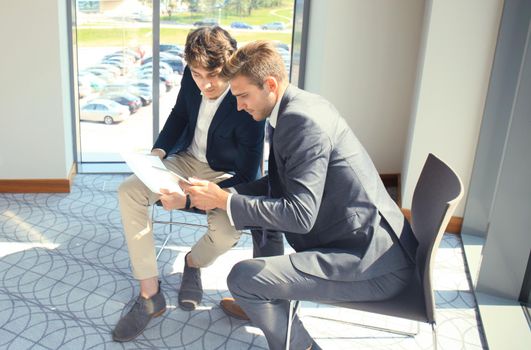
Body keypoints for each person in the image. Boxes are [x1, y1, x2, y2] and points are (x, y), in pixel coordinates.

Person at [182, 40, 419, 350]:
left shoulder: (302, 123)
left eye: (242, 96)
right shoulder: (294, 106)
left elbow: (300, 216)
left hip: (370, 263)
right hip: (363, 239)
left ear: (269, 84)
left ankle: (300, 344)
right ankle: (265, 300)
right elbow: (278, 184)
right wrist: (220, 194)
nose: (238, 106)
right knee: (259, 218)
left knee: (242, 278)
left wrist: (224, 200)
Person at [112, 28, 283, 342]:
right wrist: (158, 153)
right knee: (129, 192)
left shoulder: (247, 102)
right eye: (197, 74)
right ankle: (150, 296)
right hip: (185, 160)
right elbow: (179, 115)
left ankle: (193, 262)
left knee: (228, 232)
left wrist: (189, 199)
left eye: (214, 75)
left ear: (230, 67)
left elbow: (246, 176)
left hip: (224, 176)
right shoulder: (192, 81)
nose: (205, 83)